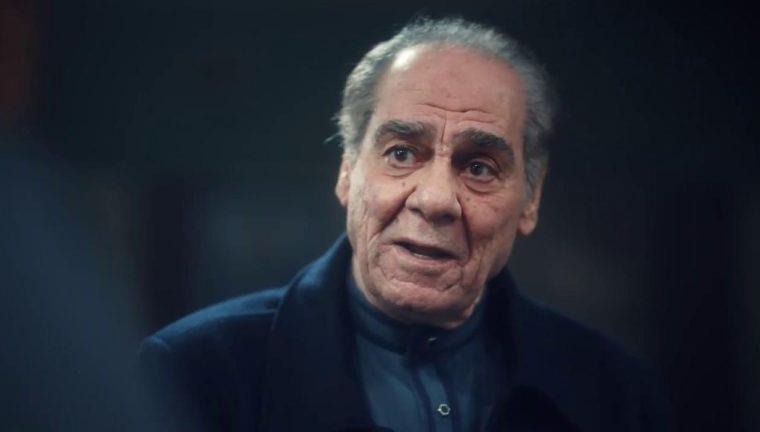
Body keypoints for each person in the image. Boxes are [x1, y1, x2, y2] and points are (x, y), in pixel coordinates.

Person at [138, 17, 668, 432]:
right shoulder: (192, 374)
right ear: (347, 172)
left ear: (531, 198)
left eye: (479, 167)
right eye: (401, 153)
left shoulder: (616, 392)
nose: (435, 200)